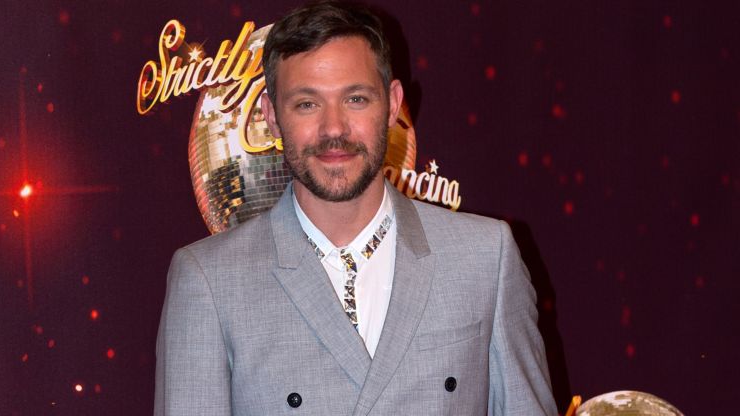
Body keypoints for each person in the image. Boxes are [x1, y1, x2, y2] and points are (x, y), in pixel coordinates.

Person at [154, 1, 557, 414]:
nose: (334, 129)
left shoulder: (485, 258)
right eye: (307, 104)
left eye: (356, 99)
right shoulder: (209, 281)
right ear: (271, 117)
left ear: (393, 104)